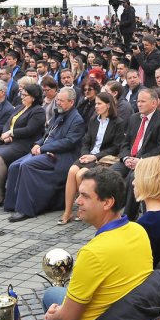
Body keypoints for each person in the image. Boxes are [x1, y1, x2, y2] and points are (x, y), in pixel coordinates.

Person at [0, 167, 152, 320]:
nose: (77, 201)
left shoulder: (94, 253)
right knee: (52, 293)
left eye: (85, 196)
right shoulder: (137, 230)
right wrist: (61, 312)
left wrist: (55, 316)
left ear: (107, 202)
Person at [4, 86, 86, 221]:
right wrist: (38, 144)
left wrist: (44, 148)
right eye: (58, 100)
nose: (58, 102)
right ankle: (13, 204)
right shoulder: (58, 113)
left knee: (27, 165)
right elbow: (47, 135)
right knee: (14, 166)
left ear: (71, 102)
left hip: (61, 157)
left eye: (61, 101)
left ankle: (26, 209)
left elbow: (68, 142)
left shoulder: (76, 120)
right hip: (46, 151)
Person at [58, 90, 122, 223]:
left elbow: (116, 147)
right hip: (88, 155)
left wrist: (95, 156)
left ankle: (85, 210)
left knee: (81, 174)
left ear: (108, 105)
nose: (96, 106)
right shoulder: (93, 120)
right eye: (96, 104)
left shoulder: (117, 122)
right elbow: (86, 141)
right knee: (72, 171)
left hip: (102, 157)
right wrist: (85, 154)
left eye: (99, 103)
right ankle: (68, 211)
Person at [0, 82, 46, 207]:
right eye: (22, 94)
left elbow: (30, 129)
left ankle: (2, 192)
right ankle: (0, 188)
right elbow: (8, 123)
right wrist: (6, 134)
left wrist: (11, 133)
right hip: (11, 141)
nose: (22, 97)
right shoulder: (19, 107)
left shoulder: (38, 111)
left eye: (25, 95)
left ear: (33, 97)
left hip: (26, 143)